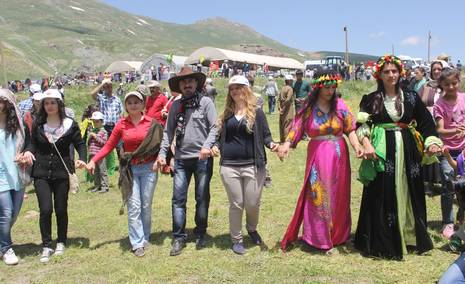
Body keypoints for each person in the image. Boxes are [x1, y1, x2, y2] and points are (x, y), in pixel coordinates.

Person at [353, 55, 443, 260]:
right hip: (381, 152)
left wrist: (432, 142)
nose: (391, 75)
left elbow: (427, 123)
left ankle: (409, 235)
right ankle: (382, 239)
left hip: (408, 152)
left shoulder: (411, 97)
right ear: (379, 75)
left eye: (394, 71)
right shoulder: (371, 99)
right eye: (386, 72)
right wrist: (366, 144)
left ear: (400, 73)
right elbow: (362, 125)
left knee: (408, 189)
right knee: (381, 191)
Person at [279, 71, 363, 253]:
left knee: (339, 194)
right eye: (327, 87)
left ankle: (339, 235)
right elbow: (297, 128)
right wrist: (286, 144)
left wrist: (356, 146)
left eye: (333, 87)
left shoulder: (340, 105)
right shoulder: (309, 107)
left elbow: (350, 128)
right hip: (318, 154)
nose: (330, 91)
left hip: (340, 156)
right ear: (318, 87)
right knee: (318, 194)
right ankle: (317, 237)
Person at [86, 91, 163, 257]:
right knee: (133, 206)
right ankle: (137, 242)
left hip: (149, 168)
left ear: (143, 104)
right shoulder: (121, 124)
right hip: (129, 170)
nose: (133, 105)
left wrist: (160, 159)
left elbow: (159, 143)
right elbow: (108, 146)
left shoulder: (152, 123)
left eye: (137, 102)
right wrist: (93, 160)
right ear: (126, 106)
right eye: (130, 102)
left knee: (146, 205)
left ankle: (145, 236)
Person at [154, 67, 217, 256]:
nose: (187, 84)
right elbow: (168, 132)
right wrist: (162, 154)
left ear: (196, 83)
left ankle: (200, 232)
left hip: (202, 159)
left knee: (202, 197)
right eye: (183, 82)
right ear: (179, 86)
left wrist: (206, 146)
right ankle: (179, 237)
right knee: (178, 200)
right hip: (180, 159)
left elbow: (215, 127)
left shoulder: (206, 103)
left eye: (190, 81)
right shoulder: (175, 106)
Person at [212, 75, 278, 254]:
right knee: (237, 203)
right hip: (229, 166)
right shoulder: (226, 113)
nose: (234, 91)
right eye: (232, 88)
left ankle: (251, 228)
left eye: (238, 87)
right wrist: (216, 147)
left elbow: (266, 135)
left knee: (252, 203)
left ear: (246, 89)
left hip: (253, 165)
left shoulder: (257, 112)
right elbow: (219, 138)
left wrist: (272, 145)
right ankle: (237, 239)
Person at [22, 89, 87, 263]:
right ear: (43, 105)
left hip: (62, 172)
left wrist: (82, 159)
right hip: (41, 173)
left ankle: (61, 241)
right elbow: (31, 143)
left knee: (60, 209)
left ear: (59, 104)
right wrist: (28, 152)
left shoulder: (70, 124)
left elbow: (80, 144)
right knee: (45, 209)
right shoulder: (37, 124)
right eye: (46, 103)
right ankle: (46, 245)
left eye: (53, 102)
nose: (49, 106)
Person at [434, 68, 465, 240]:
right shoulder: (439, 104)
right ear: (441, 85)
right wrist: (455, 130)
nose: (451, 87)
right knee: (448, 186)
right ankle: (448, 222)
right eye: (447, 84)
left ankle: (462, 218)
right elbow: (440, 130)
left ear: (458, 81)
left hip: (464, 150)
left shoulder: (464, 99)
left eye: (454, 83)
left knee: (464, 186)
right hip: (447, 151)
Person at [0, 89, 30, 265]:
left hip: (17, 173)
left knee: (14, 214)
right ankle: (6, 248)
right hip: (0, 175)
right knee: (6, 212)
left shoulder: (17, 126)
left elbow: (27, 144)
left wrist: (25, 153)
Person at [87, 111, 109, 193]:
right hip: (93, 154)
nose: (95, 123)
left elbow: (104, 143)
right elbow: (89, 143)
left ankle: (105, 186)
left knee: (102, 171)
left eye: (97, 122)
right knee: (95, 171)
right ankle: (97, 185)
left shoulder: (104, 132)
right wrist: (90, 137)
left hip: (100, 155)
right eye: (94, 122)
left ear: (102, 122)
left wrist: (95, 136)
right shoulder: (93, 131)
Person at [278, 75, 295, 142]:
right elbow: (288, 99)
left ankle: (282, 140)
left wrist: (280, 107)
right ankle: (287, 141)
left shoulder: (282, 88)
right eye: (292, 80)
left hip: (282, 107)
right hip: (288, 109)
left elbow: (278, 99)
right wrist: (284, 107)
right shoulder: (290, 89)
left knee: (282, 124)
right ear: (289, 81)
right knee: (288, 124)